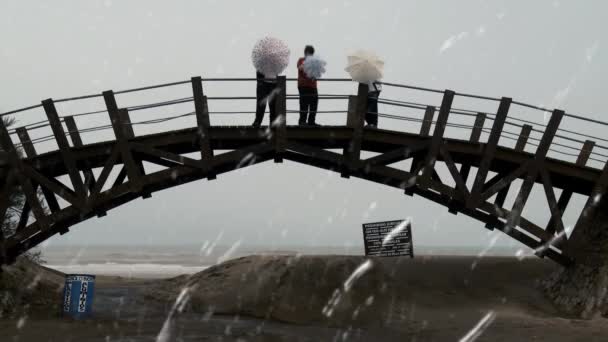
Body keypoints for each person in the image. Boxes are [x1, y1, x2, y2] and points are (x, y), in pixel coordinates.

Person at [297, 45, 319, 126]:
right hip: (303, 85)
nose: (310, 55)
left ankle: (311, 121)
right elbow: (300, 68)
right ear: (306, 53)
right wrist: (306, 65)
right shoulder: (301, 60)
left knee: (314, 104)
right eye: (310, 53)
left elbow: (317, 73)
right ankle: (302, 122)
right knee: (304, 104)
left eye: (312, 53)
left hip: (313, 86)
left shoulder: (315, 61)